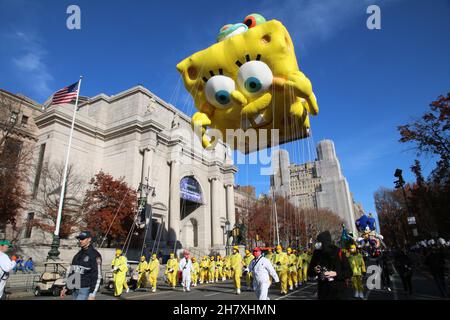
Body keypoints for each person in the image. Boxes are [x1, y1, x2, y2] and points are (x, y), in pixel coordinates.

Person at [308, 231, 352, 300]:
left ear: (325, 242)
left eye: (319, 242)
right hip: (323, 292)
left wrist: (336, 273)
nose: (317, 244)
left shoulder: (339, 252)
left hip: (338, 293)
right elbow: (309, 272)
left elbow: (349, 272)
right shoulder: (316, 253)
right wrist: (315, 270)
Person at [60, 231, 102, 300]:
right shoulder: (78, 255)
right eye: (79, 239)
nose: (80, 241)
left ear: (89, 239)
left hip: (85, 289)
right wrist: (66, 288)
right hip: (75, 289)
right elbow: (72, 272)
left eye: (83, 239)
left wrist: (92, 293)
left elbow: (97, 276)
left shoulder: (95, 255)